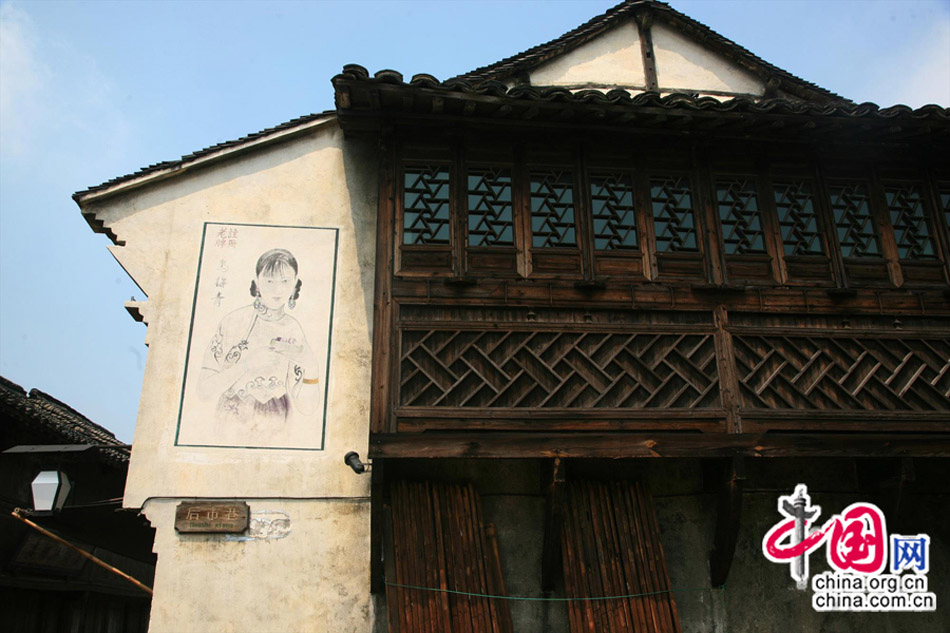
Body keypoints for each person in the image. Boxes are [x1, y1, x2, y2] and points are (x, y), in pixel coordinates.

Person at [198, 248, 319, 426]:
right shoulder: (233, 322)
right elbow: (204, 390)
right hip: (232, 418)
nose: (277, 289)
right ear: (257, 283)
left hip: (277, 418)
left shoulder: (293, 329)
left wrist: (311, 368)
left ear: (295, 285)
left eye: (285, 281)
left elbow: (307, 408)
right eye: (269, 281)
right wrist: (246, 365)